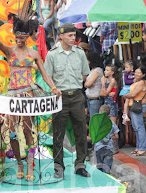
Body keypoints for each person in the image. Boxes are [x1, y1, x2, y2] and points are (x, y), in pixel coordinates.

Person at [0, 12, 61, 182]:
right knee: (13, 132)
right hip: (13, 95)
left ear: (28, 37)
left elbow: (44, 74)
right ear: (14, 35)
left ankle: (30, 164)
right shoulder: (9, 50)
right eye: (18, 37)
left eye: (24, 37)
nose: (20, 40)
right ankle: (20, 163)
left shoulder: (34, 54)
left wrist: (53, 87)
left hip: (29, 95)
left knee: (29, 131)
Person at [44, 23, 91, 178]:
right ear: (61, 36)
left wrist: (74, 85)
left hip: (77, 95)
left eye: (74, 35)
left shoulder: (79, 53)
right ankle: (59, 166)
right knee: (58, 132)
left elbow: (85, 74)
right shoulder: (52, 55)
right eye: (70, 36)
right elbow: (47, 76)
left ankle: (80, 165)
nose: (73, 39)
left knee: (81, 132)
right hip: (60, 97)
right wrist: (55, 89)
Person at [122, 66, 146, 156]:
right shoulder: (137, 82)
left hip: (138, 106)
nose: (136, 74)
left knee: (139, 127)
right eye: (136, 72)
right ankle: (138, 147)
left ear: (143, 74)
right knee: (136, 127)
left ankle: (142, 148)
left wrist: (125, 96)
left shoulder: (142, 82)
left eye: (139, 73)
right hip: (134, 106)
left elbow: (133, 94)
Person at [94, 105, 119, 174]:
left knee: (99, 166)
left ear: (100, 112)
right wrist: (110, 137)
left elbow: (93, 135)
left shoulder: (97, 123)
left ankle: (101, 180)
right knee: (107, 167)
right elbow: (116, 136)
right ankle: (107, 177)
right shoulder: (112, 123)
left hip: (98, 148)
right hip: (109, 148)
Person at [84, 51, 103, 118]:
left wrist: (86, 83)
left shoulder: (97, 70)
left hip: (95, 99)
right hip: (90, 98)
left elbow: (88, 84)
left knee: (94, 119)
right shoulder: (92, 70)